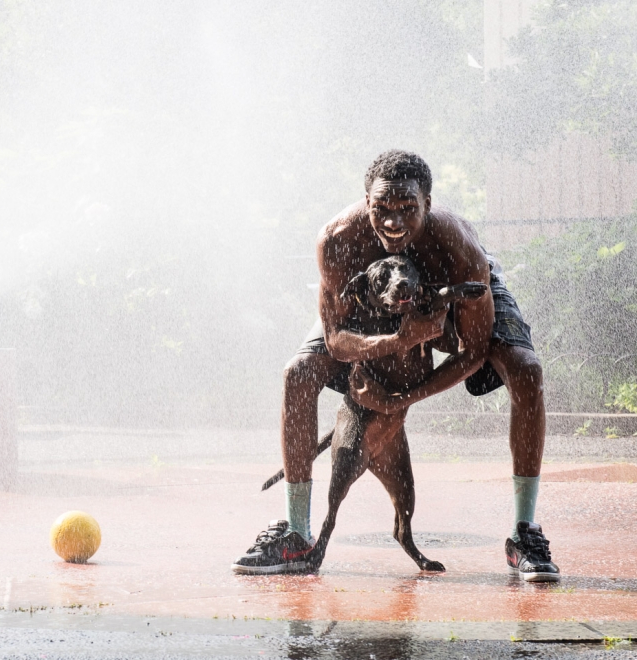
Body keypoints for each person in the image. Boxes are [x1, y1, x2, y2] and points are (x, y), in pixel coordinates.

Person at [232, 150, 559, 582]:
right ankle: (296, 532)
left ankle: (524, 532)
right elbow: (334, 340)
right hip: (376, 296)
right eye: (381, 209)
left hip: (452, 297)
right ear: (365, 201)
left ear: (428, 202)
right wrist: (398, 340)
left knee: (526, 370)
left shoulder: (457, 245)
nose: (393, 222)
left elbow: (473, 351)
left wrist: (400, 398)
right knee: (298, 373)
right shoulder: (338, 240)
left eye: (408, 209)